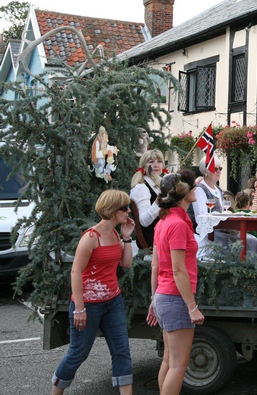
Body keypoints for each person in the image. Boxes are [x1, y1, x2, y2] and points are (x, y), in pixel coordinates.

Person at [52, 190, 136, 394]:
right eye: (124, 208)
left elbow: (125, 264)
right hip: (88, 305)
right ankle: (56, 391)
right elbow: (76, 271)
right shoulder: (91, 237)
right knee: (78, 353)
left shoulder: (115, 233)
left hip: (112, 301)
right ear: (111, 210)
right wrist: (79, 308)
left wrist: (126, 238)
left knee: (122, 352)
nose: (128, 211)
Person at [147, 170, 205, 395]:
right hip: (176, 298)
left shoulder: (164, 221)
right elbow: (178, 270)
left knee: (169, 362)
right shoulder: (178, 224)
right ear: (185, 192)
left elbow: (155, 265)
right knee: (178, 365)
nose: (196, 189)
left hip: (164, 295)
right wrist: (192, 307)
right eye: (193, 186)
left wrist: (154, 299)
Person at [192, 161, 257, 262]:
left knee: (253, 240)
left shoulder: (217, 189)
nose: (218, 171)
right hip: (210, 233)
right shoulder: (200, 190)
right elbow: (201, 217)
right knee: (244, 242)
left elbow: (223, 212)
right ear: (205, 171)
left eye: (220, 169)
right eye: (215, 169)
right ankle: (243, 269)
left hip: (224, 229)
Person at [129, 149, 165, 250]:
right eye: (151, 162)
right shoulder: (141, 188)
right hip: (153, 236)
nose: (156, 165)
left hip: (165, 231)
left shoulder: (160, 185)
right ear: (143, 166)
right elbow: (144, 221)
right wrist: (158, 201)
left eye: (159, 161)